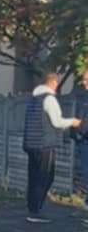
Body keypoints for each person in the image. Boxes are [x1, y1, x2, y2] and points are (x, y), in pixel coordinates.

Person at [22, 72, 81, 223]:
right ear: (53, 83)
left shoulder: (34, 98)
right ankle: (36, 211)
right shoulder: (49, 99)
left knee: (34, 176)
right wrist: (73, 122)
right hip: (44, 144)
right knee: (45, 176)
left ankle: (32, 207)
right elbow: (57, 122)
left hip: (31, 143)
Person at [71, 68, 88, 208]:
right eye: (83, 79)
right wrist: (77, 133)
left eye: (87, 80)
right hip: (84, 141)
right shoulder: (82, 97)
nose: (84, 82)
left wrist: (81, 125)